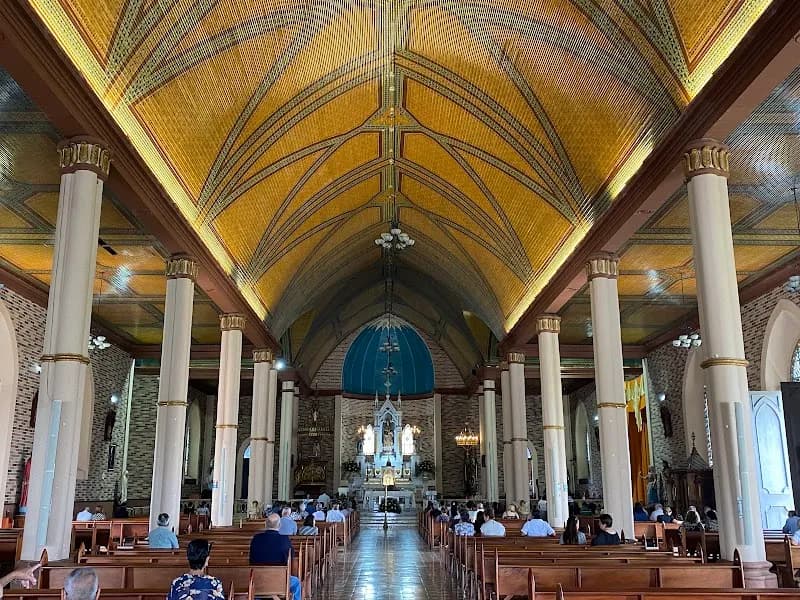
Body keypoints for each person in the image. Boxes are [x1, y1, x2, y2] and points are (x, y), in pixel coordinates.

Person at [250, 514, 301, 600]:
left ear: (265, 524)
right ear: (280, 525)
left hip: (258, 579)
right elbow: (291, 558)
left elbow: (251, 559)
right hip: (279, 579)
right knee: (296, 582)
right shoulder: (284, 539)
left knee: (257, 588)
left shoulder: (256, 538)